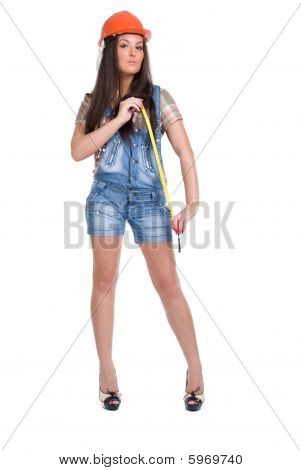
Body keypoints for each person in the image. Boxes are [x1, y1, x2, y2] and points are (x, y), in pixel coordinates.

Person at [70, 10, 205, 411]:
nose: (133, 53)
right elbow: (78, 152)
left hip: (149, 200)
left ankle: (195, 368)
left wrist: (192, 203)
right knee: (104, 282)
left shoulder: (159, 98)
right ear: (110, 51)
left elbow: (184, 151)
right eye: (125, 45)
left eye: (139, 46)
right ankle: (106, 370)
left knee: (168, 286)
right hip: (107, 196)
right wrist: (117, 117)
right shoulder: (94, 101)